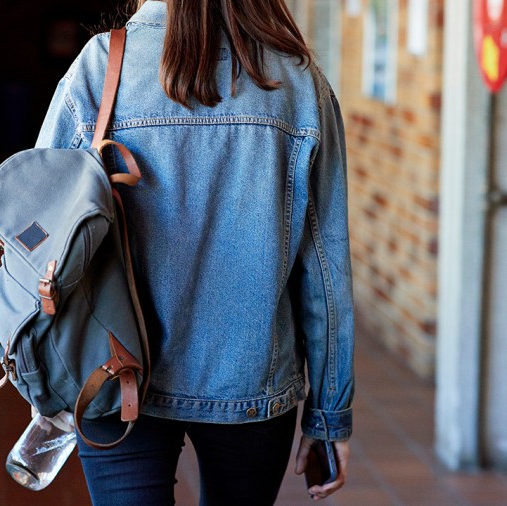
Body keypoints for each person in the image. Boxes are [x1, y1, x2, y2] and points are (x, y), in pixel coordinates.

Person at [34, 1, 355, 504]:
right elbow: (325, 269)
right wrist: (330, 415)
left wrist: (47, 377)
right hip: (252, 385)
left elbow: (43, 237)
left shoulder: (100, 68)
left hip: (115, 377)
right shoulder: (297, 83)